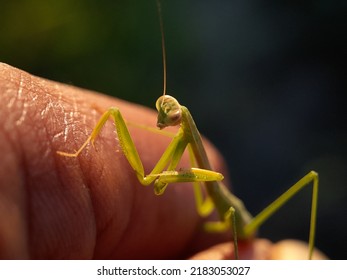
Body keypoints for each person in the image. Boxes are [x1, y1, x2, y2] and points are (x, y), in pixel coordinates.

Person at [0, 63, 326, 259]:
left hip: (243, 224)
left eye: (167, 115)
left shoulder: (203, 165)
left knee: (309, 177)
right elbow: (157, 179)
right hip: (213, 218)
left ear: (181, 117)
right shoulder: (184, 143)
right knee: (118, 119)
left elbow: (205, 178)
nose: (162, 120)